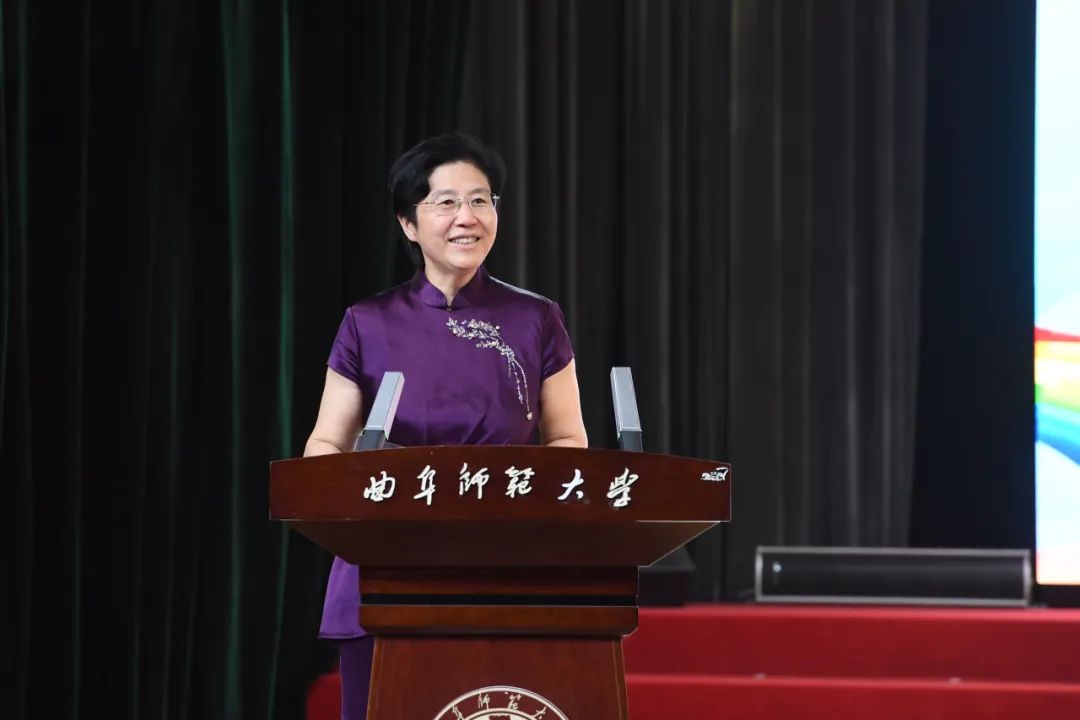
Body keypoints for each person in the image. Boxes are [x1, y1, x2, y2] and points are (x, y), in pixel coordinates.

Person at [302, 133, 588, 720]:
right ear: (409, 224)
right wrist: (341, 499)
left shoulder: (536, 318)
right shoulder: (367, 322)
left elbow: (567, 440)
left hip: (506, 564)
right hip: (386, 565)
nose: (468, 217)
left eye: (481, 200)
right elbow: (327, 442)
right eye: (446, 202)